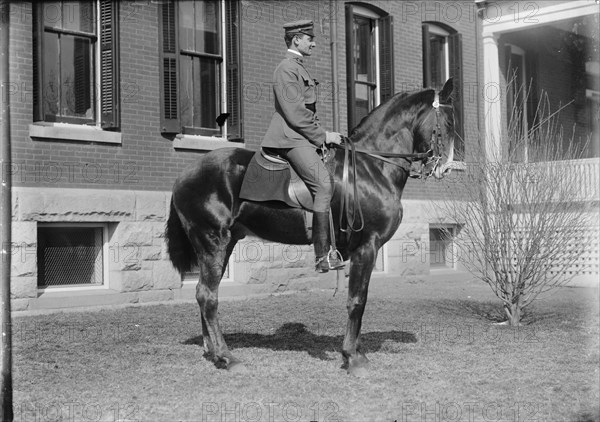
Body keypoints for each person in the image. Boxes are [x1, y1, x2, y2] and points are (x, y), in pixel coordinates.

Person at [261, 20, 343, 273]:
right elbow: (296, 114)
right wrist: (323, 135)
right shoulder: (286, 69)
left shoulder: (298, 68)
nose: (314, 43)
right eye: (309, 38)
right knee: (323, 184)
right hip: (289, 137)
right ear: (296, 39)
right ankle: (322, 256)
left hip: (301, 137)